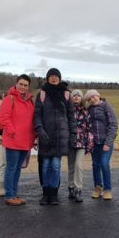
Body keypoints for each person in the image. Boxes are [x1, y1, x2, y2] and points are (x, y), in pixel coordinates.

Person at [34, 68, 77, 206]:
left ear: (59, 78)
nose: (54, 78)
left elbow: (71, 117)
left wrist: (73, 135)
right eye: (51, 76)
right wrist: (39, 129)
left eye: (56, 76)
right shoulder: (41, 94)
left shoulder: (66, 94)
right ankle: (45, 193)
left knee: (56, 166)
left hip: (61, 136)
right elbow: (37, 115)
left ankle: (54, 194)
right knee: (46, 166)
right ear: (47, 78)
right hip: (45, 135)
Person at [0, 74, 35, 206]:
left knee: (18, 169)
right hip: (13, 141)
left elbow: (32, 120)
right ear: (16, 84)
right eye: (21, 84)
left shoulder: (30, 101)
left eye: (26, 85)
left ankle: (14, 193)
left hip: (25, 141)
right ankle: (9, 195)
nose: (23, 87)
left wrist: (34, 136)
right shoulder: (10, 99)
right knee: (11, 168)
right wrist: (13, 132)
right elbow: (4, 117)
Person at [84, 89, 118, 200]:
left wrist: (108, 142)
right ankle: (98, 188)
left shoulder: (106, 106)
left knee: (104, 164)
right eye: (89, 99)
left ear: (98, 96)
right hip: (94, 143)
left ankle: (107, 190)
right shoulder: (89, 109)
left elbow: (113, 125)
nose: (92, 100)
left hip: (105, 142)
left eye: (94, 97)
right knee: (95, 165)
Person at [67, 90, 93, 202]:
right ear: (71, 98)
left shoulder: (86, 112)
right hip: (70, 142)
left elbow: (89, 129)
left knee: (78, 165)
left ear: (81, 98)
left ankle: (78, 189)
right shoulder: (67, 111)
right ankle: (71, 188)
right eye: (74, 95)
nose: (76, 97)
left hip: (81, 143)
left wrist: (89, 144)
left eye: (79, 96)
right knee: (71, 166)